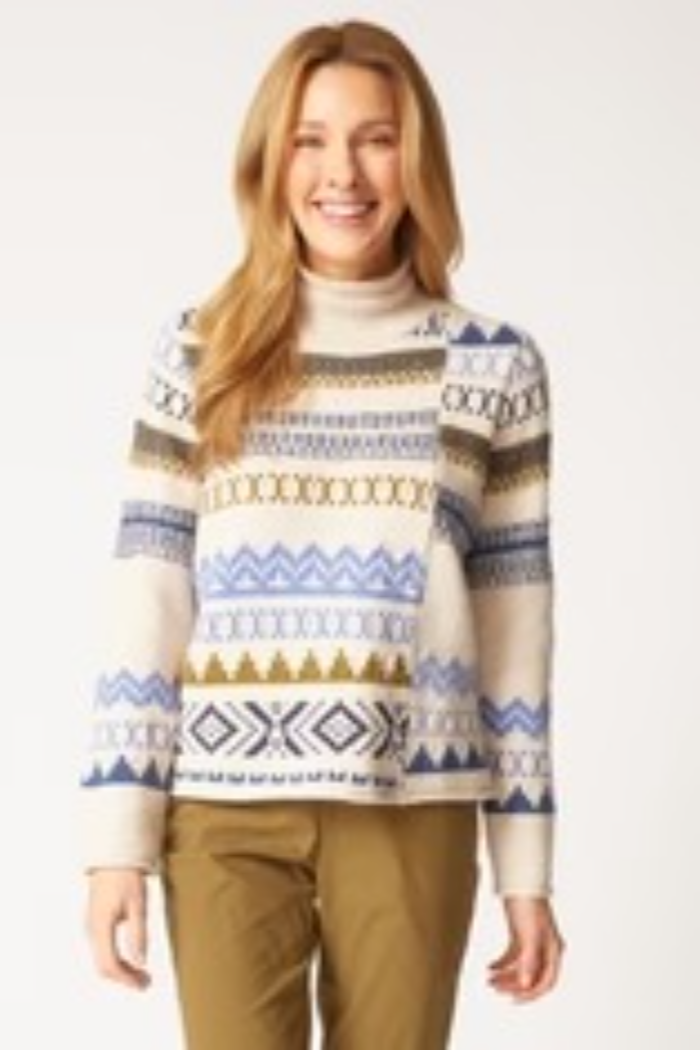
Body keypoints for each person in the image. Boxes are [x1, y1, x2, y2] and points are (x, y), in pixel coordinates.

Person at [82, 18, 566, 1050]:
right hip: (221, 810)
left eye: (376, 139)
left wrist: (524, 870)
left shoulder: (492, 364)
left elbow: (515, 640)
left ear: (416, 160)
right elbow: (148, 600)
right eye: (310, 140)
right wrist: (115, 839)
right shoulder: (201, 351)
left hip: (414, 805)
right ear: (270, 161)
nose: (342, 173)